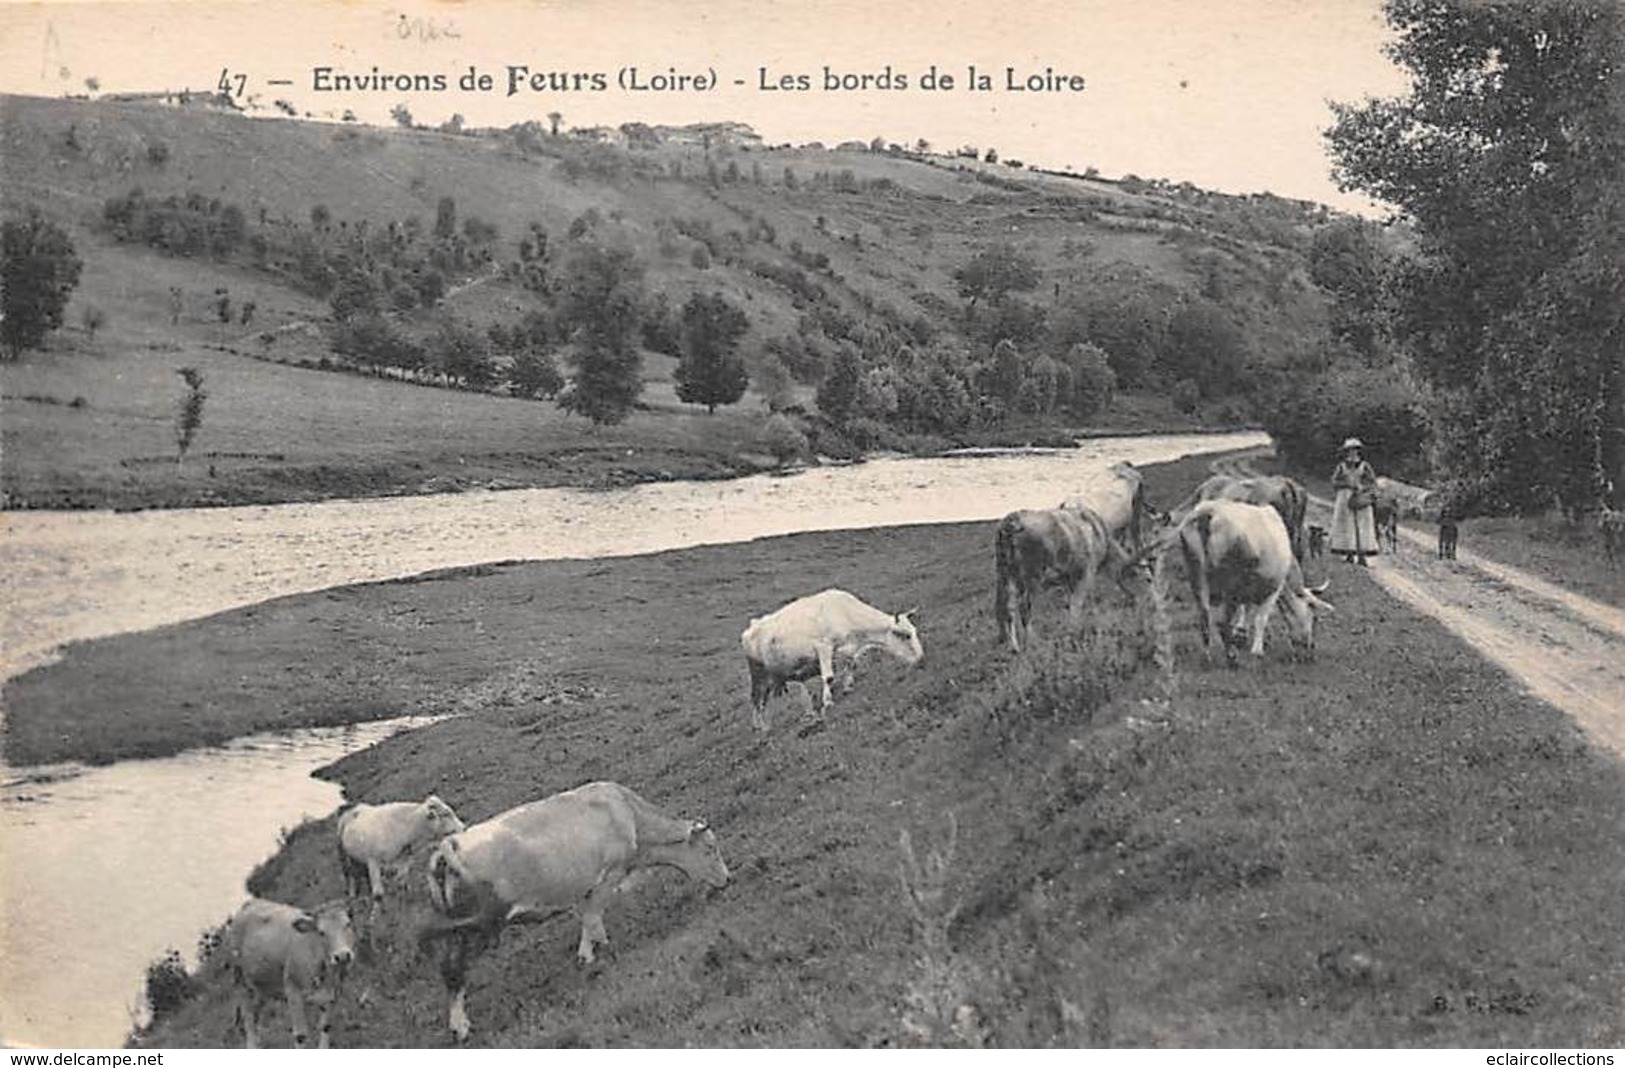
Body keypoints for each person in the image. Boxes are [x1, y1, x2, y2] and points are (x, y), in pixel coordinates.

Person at [1329, 437, 1378, 566]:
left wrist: (1363, 487)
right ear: (1346, 452)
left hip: (1361, 497)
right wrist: (1346, 483)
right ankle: (1349, 553)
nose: (1352, 453)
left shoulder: (1365, 466)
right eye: (1350, 450)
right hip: (1345, 497)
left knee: (1363, 525)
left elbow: (1373, 482)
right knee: (1347, 525)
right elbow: (1334, 482)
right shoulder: (1342, 466)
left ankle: (1362, 555)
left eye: (1355, 450)